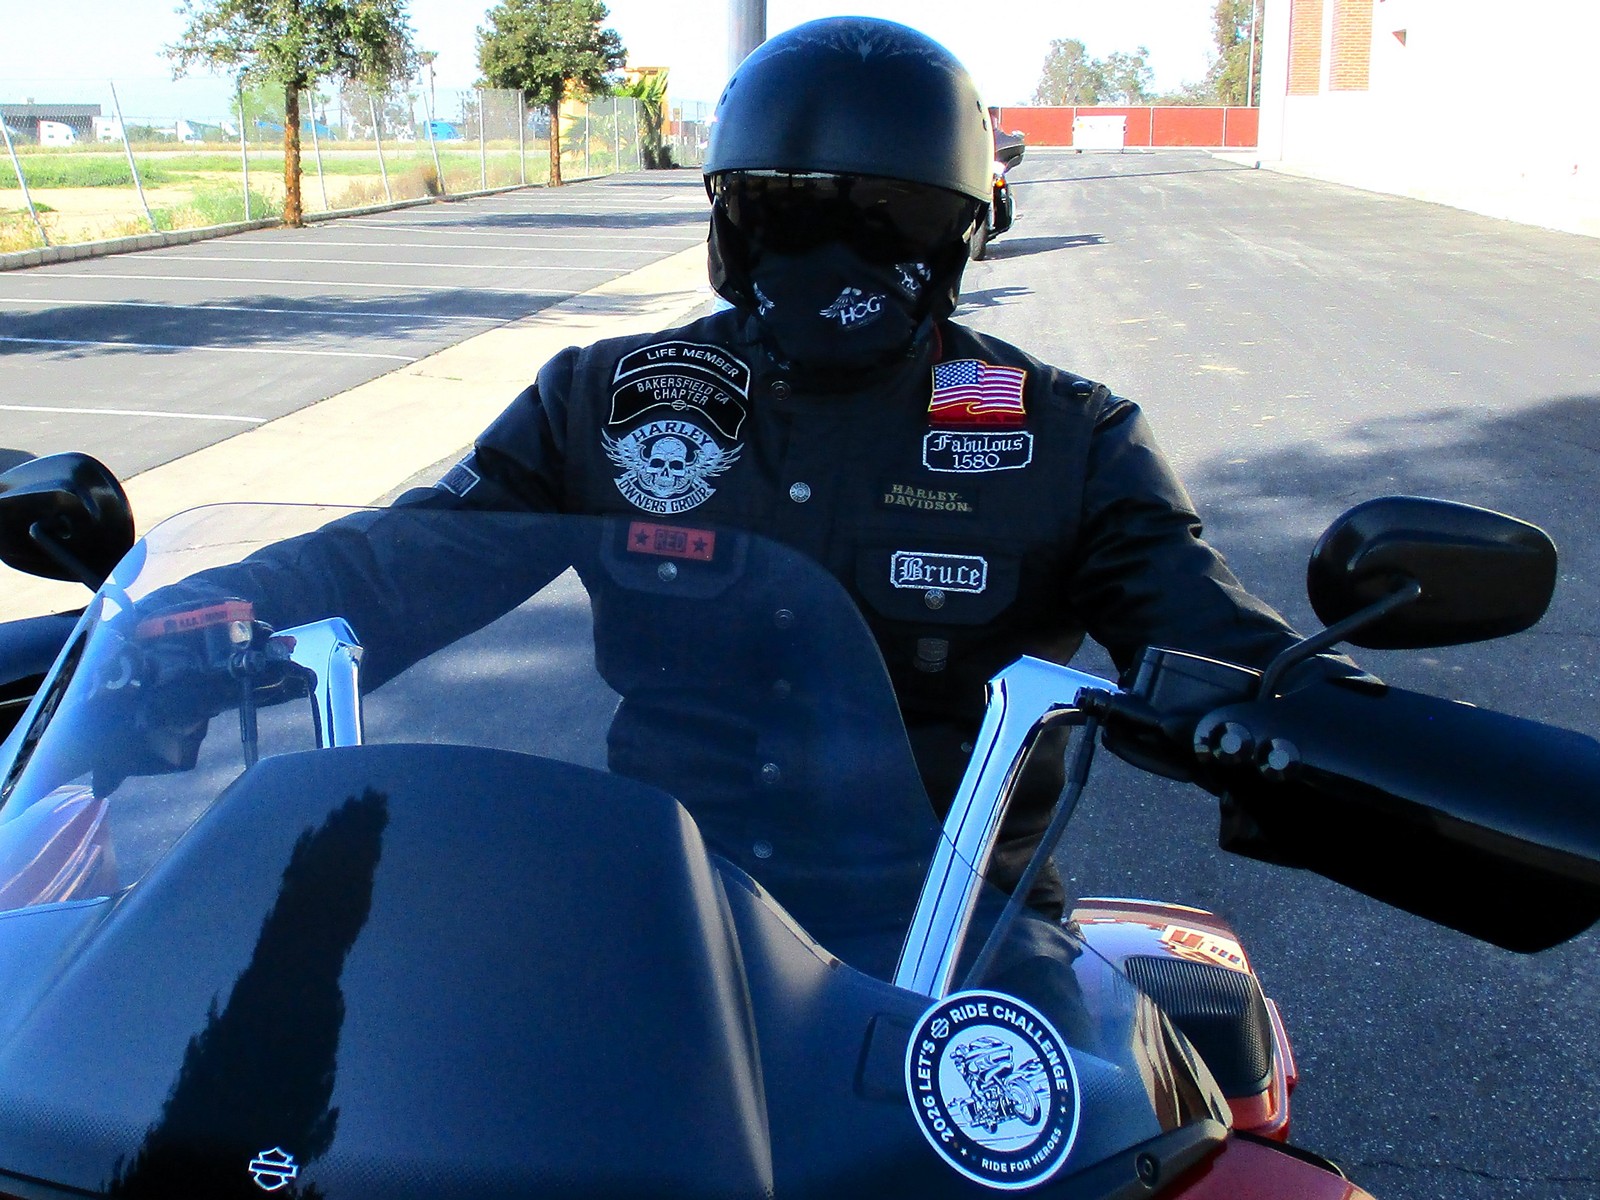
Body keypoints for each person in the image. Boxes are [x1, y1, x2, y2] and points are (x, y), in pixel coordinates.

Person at [393, 17, 1328, 914]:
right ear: (729, 222)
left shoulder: (1066, 436)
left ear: (964, 232)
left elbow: (1218, 636)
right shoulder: (603, 401)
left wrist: (1342, 731)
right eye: (786, 213)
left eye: (891, 219)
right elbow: (406, 562)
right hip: (670, 921)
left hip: (958, 938)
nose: (835, 258)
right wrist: (292, 607)